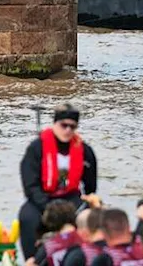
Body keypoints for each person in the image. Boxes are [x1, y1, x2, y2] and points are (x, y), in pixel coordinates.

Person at [18, 103, 99, 261]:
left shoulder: (85, 151)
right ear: (55, 124)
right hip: (42, 198)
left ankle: (85, 258)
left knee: (89, 217)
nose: (68, 130)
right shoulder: (36, 148)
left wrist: (90, 203)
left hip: (71, 198)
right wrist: (47, 207)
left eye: (72, 127)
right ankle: (32, 260)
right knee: (27, 217)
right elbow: (30, 185)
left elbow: (90, 187)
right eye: (64, 125)